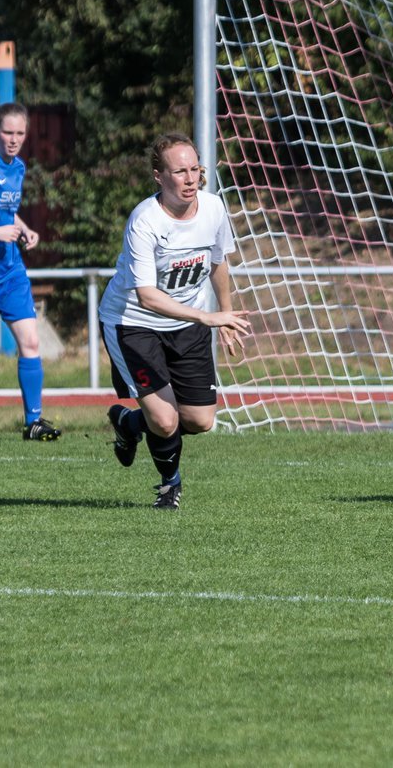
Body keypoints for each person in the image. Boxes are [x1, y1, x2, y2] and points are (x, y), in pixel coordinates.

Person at [100, 133, 251, 508]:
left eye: (195, 169)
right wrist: (207, 316)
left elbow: (219, 262)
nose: (190, 179)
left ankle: (129, 424)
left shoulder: (214, 209)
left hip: (187, 324)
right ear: (159, 177)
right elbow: (146, 296)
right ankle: (170, 485)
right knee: (166, 420)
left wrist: (226, 316)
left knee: (200, 420)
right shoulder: (144, 221)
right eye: (179, 171)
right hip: (133, 323)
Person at [0, 102, 61, 441]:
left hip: (10, 271)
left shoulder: (19, 167)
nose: (14, 139)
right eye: (8, 132)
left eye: (20, 133)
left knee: (30, 341)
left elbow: (5, 213)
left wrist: (24, 229)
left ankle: (33, 422)